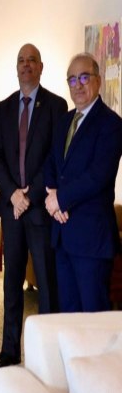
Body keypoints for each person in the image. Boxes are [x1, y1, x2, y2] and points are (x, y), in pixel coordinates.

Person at [0, 43, 67, 370]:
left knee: (47, 285)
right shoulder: (4, 107)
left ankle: (47, 355)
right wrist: (12, 194)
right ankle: (10, 350)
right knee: (11, 285)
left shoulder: (56, 106)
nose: (26, 65)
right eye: (21, 60)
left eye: (31, 60)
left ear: (41, 67)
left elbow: (55, 157)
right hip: (12, 210)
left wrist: (30, 195)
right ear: (16, 67)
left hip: (38, 210)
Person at [44, 52, 122, 312]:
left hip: (91, 239)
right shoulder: (64, 121)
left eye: (84, 77)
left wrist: (60, 199)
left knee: (93, 317)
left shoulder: (111, 124)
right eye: (72, 79)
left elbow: (98, 175)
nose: (77, 85)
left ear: (98, 80)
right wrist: (52, 196)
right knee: (68, 314)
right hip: (62, 234)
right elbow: (51, 162)